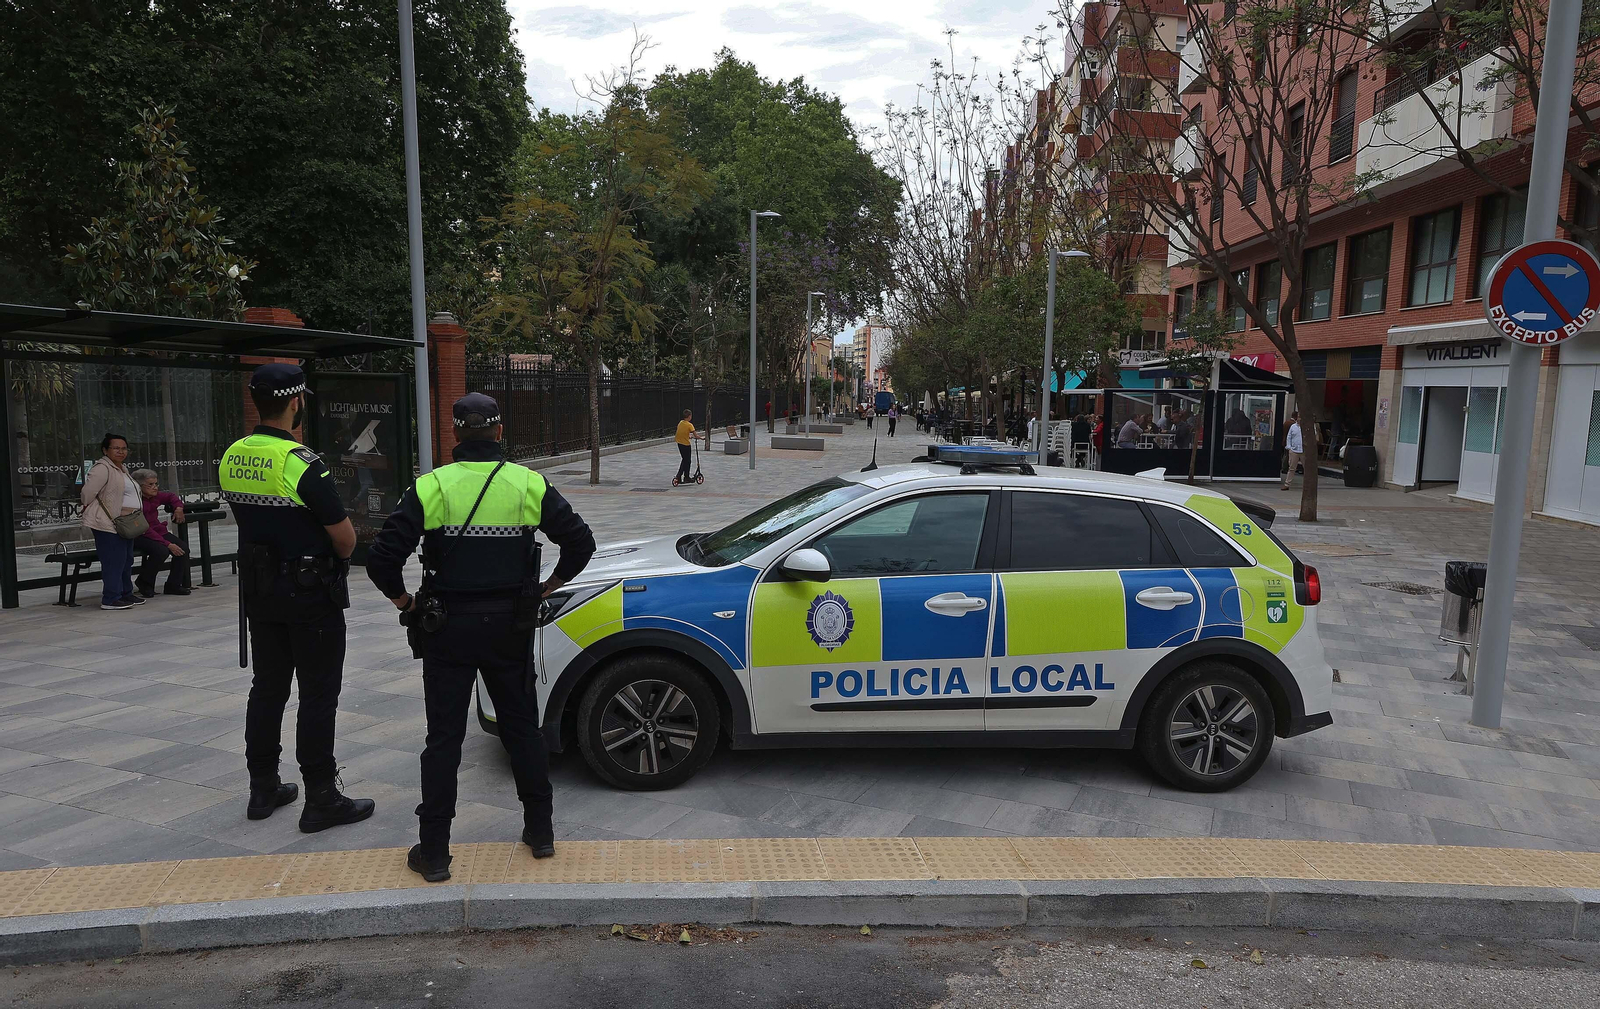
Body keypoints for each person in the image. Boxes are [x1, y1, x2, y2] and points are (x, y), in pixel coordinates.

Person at [367, 393, 597, 882]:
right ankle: (540, 832)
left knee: (443, 738)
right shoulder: (528, 483)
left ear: (455, 433)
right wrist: (547, 587)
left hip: (445, 629)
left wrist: (406, 604)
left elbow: (382, 558)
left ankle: (434, 852)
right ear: (499, 431)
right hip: (509, 627)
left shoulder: (431, 486)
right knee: (522, 728)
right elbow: (581, 542)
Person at [220, 363, 372, 831]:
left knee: (267, 689)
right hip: (309, 595)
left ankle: (263, 787)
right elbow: (344, 538)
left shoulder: (232, 455)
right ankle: (321, 797)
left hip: (261, 592)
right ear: (295, 402)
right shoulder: (300, 462)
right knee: (318, 694)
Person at [81, 433, 144, 611]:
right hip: (108, 523)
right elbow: (87, 493)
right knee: (113, 561)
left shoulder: (121, 468)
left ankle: (125, 592)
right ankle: (111, 598)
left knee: (126, 560)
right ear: (105, 450)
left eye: (124, 448)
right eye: (116, 448)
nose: (121, 451)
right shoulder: (102, 468)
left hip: (125, 522)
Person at [131, 469, 190, 598]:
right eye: (150, 484)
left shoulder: (155, 496)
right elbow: (144, 528)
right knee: (161, 551)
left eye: (156, 484)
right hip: (140, 534)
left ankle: (173, 585)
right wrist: (168, 544)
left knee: (183, 548)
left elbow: (171, 497)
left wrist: (179, 508)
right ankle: (144, 582)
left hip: (156, 531)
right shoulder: (134, 502)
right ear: (139, 486)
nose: (155, 487)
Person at [1283, 411, 1304, 490]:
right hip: (1294, 450)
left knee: (1307, 468)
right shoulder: (1293, 426)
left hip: (1303, 450)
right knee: (1291, 468)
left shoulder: (1306, 427)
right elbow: (1289, 437)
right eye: (1298, 417)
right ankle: (1287, 484)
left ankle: (1307, 485)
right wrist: (1289, 447)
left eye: (1300, 417)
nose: (1299, 419)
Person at [673, 409, 696, 484]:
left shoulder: (680, 422)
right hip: (686, 445)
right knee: (687, 461)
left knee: (684, 460)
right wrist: (702, 438)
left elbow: (681, 432)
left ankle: (680, 476)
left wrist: (688, 436)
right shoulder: (689, 425)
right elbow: (696, 435)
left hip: (679, 443)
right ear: (689, 416)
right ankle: (685, 477)